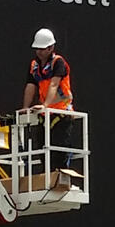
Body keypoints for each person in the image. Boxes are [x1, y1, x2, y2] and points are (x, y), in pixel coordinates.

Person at [21, 28, 79, 171]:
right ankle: (48, 178)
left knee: (59, 150)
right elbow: (30, 86)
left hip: (62, 112)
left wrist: (45, 105)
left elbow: (54, 84)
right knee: (43, 150)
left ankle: (59, 178)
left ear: (51, 48)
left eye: (42, 49)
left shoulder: (58, 62)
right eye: (37, 49)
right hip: (45, 115)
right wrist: (25, 107)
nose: (39, 52)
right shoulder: (34, 66)